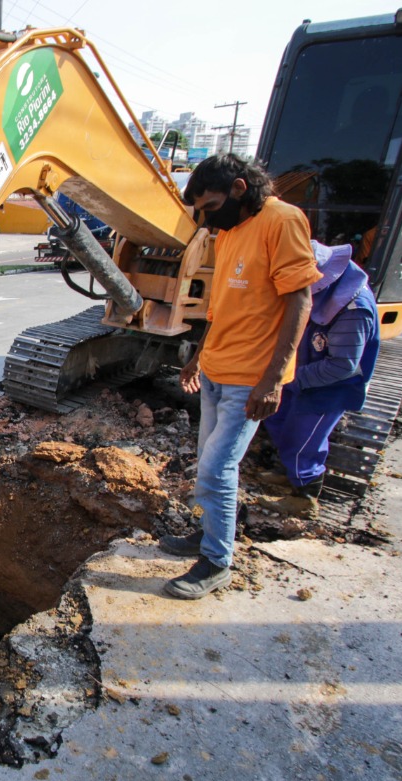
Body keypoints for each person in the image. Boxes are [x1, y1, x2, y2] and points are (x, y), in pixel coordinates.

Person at [159, 153, 318, 600]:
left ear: (239, 188)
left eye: (211, 207)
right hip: (215, 370)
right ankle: (206, 533)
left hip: (249, 380)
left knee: (217, 468)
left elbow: (299, 300)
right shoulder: (228, 234)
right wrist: (198, 357)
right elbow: (221, 308)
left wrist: (272, 380)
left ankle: (216, 561)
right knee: (207, 462)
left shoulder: (283, 221)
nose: (208, 220)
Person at [260, 241, 380, 510]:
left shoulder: (353, 309)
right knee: (279, 420)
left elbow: (342, 365)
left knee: (304, 437)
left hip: (329, 388)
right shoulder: (326, 297)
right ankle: (289, 471)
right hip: (301, 375)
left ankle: (304, 495)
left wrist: (288, 377)